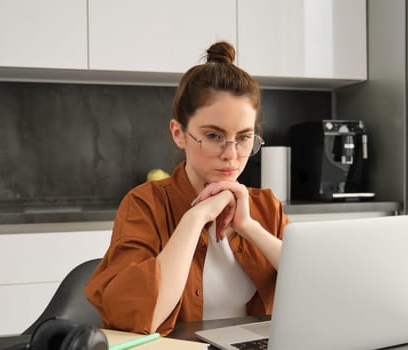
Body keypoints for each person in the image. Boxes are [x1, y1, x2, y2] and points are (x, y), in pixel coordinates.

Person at [83, 41, 288, 336]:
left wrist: (250, 227)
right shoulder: (144, 204)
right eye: (214, 135)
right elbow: (142, 318)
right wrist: (195, 219)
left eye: (244, 138)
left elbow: (319, 290)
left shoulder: (266, 206)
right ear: (179, 133)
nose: (231, 154)